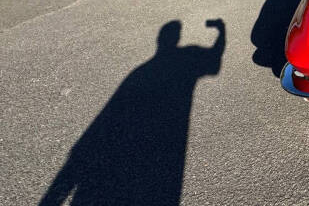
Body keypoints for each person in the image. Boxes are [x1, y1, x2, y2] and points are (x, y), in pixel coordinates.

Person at [40, 19, 226, 206]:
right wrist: (221, 31)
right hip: (165, 144)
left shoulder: (141, 71)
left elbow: (108, 114)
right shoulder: (186, 58)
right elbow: (214, 60)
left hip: (126, 152)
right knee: (155, 190)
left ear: (159, 41)